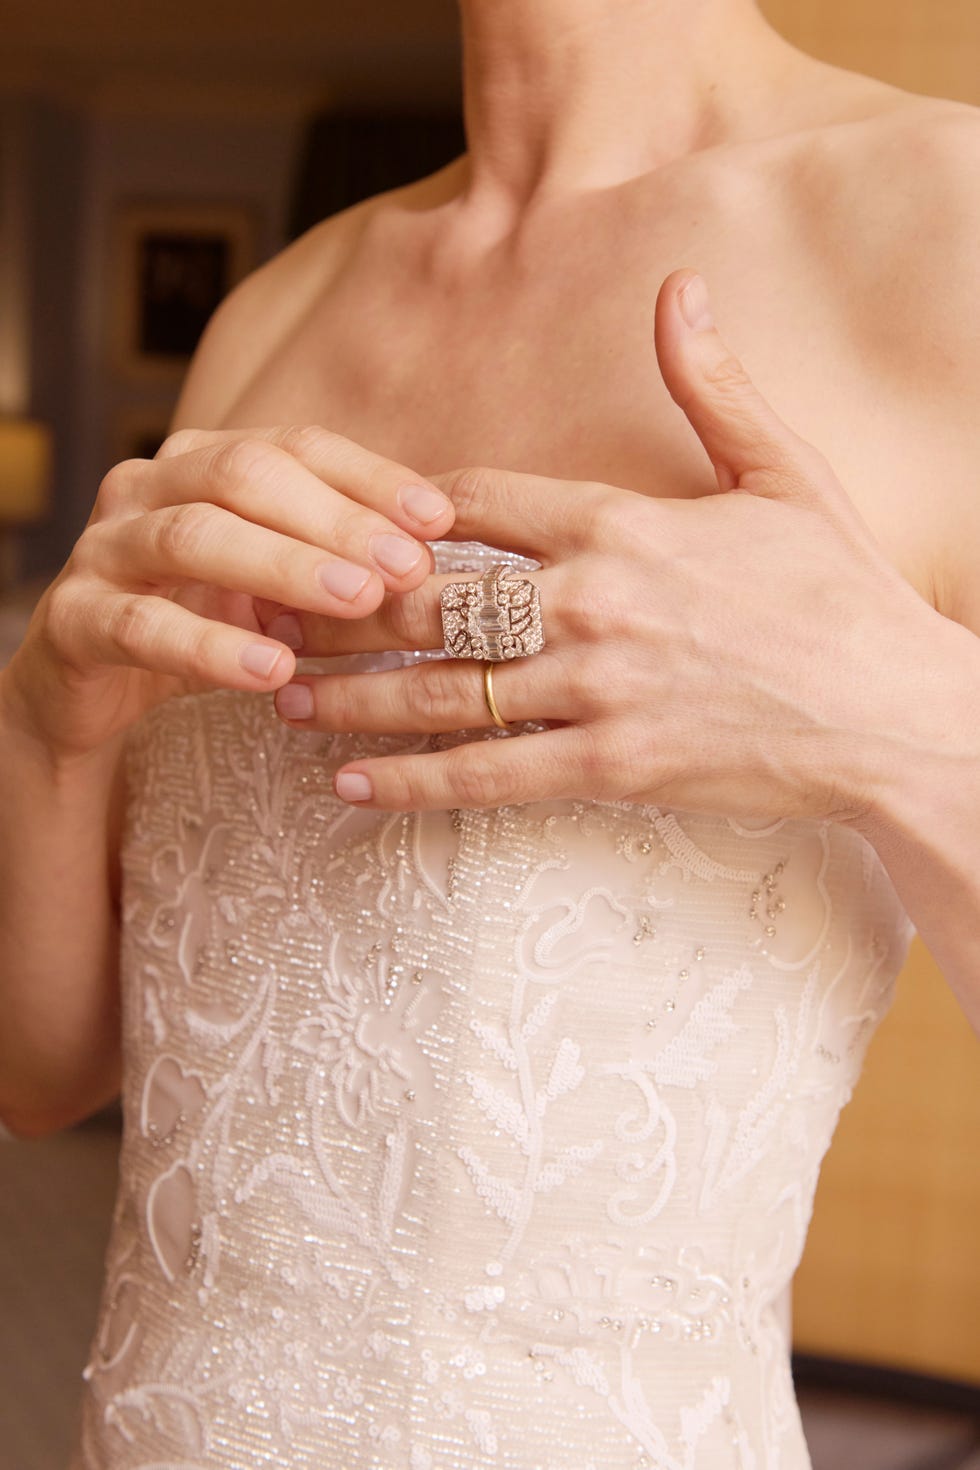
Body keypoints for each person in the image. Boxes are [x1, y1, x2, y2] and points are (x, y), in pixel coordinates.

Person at [1, 0, 978, 1464]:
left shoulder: (944, 231)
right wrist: (49, 725)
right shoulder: (274, 311)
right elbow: (49, 1076)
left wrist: (885, 713)